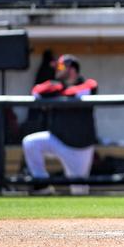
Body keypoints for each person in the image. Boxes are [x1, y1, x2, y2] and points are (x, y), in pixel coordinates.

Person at [22, 54, 98, 195]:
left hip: (79, 147)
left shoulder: (88, 84)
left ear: (72, 69)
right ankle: (42, 185)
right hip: (57, 139)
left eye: (61, 66)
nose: (57, 69)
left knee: (79, 191)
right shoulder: (56, 85)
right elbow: (36, 91)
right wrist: (60, 91)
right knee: (31, 143)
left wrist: (58, 94)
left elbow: (82, 91)